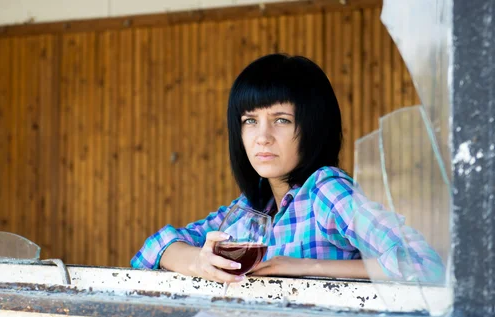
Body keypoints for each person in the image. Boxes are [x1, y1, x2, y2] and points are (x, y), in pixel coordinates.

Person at [131, 53, 444, 284]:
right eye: (250, 121)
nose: (262, 138)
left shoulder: (326, 191)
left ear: (312, 127)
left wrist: (302, 266)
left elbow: (424, 266)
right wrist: (200, 263)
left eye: (281, 120)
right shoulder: (249, 210)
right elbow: (151, 250)